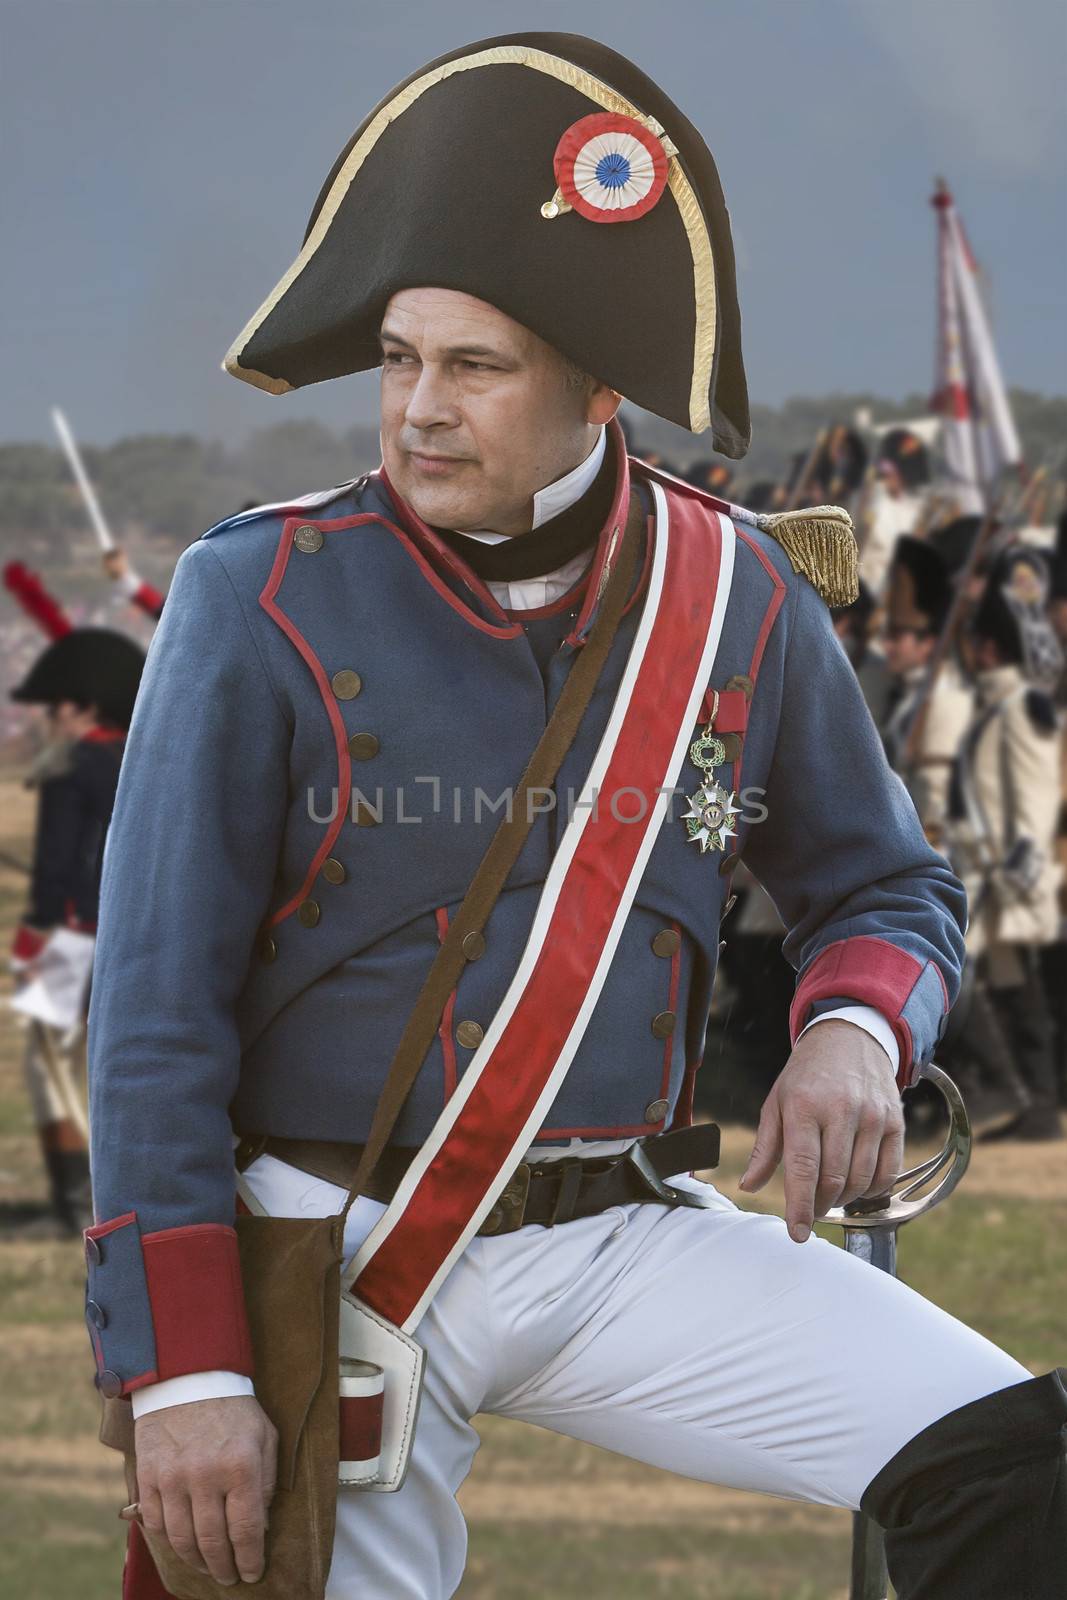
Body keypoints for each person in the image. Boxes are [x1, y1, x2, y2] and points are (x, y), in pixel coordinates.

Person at [85, 33, 1064, 1600]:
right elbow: (151, 1014)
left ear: (598, 384)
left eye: (470, 368)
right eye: (398, 359)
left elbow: (884, 893)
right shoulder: (251, 591)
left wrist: (852, 1035)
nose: (412, 410)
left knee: (1016, 1464)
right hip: (320, 1252)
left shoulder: (732, 589)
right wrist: (185, 1372)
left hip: (612, 1230)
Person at [8, 623, 144, 1233]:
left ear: (83, 705)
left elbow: (56, 869)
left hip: (69, 937)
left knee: (51, 1065)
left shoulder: (70, 767)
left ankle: (70, 1206)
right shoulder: (145, 758)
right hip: (132, 933)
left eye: (57, 705)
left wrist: (32, 940)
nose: (51, 717)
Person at [952, 546, 1065, 1142]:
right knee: (1008, 987)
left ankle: (1019, 1093)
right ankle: (1029, 1101)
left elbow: (1038, 798)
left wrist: (1019, 877)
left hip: (1012, 878)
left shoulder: (1024, 709)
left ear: (989, 648)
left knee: (998, 986)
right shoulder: (997, 706)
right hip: (990, 873)